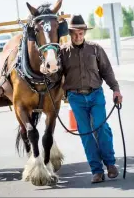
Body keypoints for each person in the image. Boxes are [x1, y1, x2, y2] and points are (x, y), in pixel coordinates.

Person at [47, 15, 122, 183]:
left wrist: (116, 90)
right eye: (75, 34)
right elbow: (56, 77)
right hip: (75, 97)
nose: (78, 37)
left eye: (81, 33)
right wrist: (49, 72)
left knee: (101, 127)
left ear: (84, 33)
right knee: (86, 134)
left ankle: (110, 164)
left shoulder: (95, 49)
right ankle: (96, 171)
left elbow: (107, 71)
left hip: (96, 94)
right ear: (70, 33)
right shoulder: (63, 52)